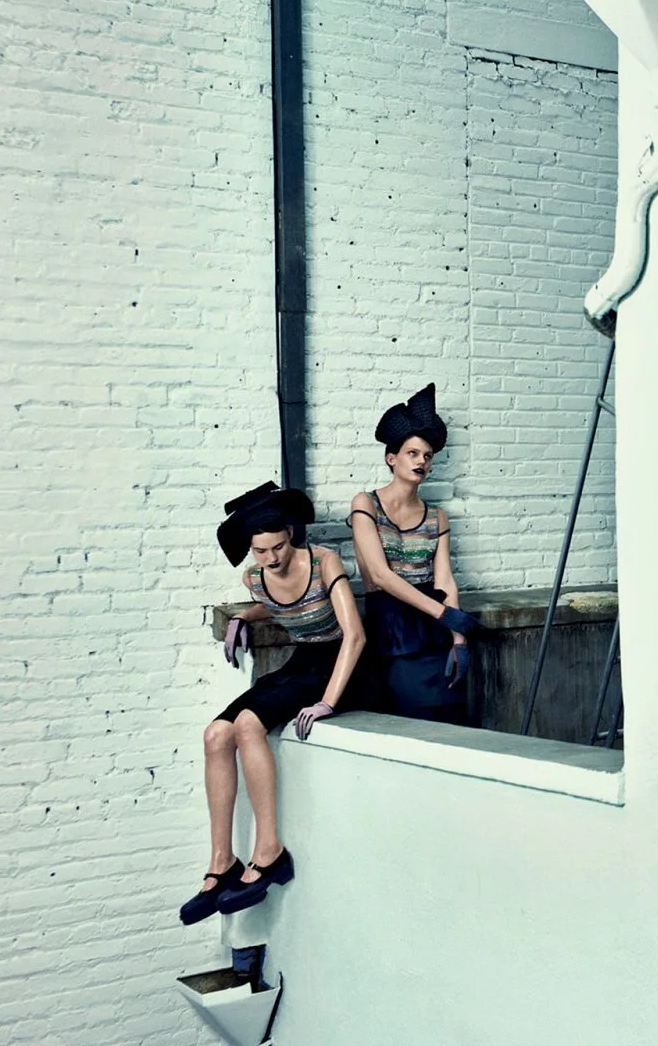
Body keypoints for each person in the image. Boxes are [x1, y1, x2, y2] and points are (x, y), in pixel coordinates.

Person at [179, 483, 371, 925]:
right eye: (260, 551)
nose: (272, 559)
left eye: (279, 547)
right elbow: (280, 602)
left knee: (248, 724)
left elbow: (355, 635)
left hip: (343, 665)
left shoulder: (323, 562)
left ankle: (269, 851)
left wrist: (327, 702)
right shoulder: (253, 578)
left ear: (290, 534)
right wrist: (244, 616)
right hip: (302, 662)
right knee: (216, 734)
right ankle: (221, 863)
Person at [349, 384, 487, 725]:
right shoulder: (366, 504)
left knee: (451, 719)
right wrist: (445, 615)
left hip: (434, 629)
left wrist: (459, 640)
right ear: (391, 458)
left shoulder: (437, 516)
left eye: (427, 456)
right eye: (412, 453)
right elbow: (380, 575)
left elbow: (445, 581)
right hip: (392, 627)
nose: (421, 461)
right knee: (410, 721)